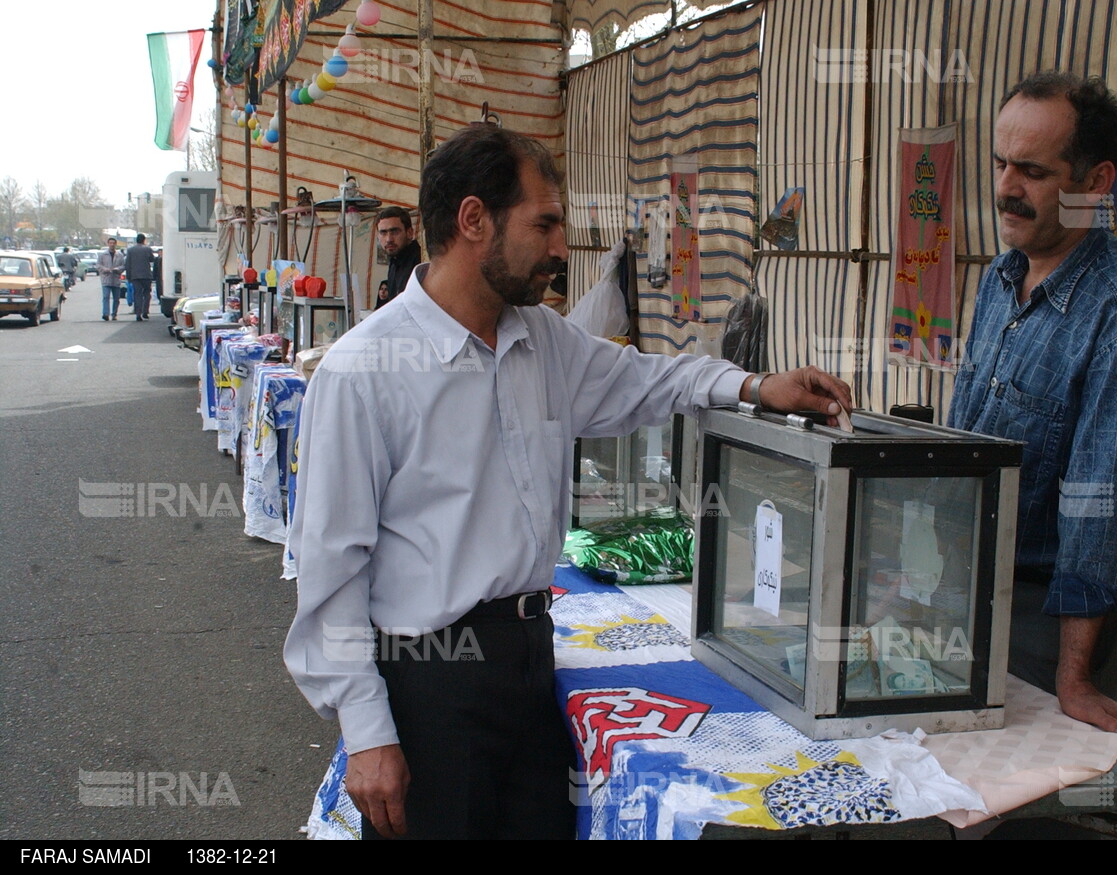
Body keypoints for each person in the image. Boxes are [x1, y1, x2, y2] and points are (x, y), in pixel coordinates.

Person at [284, 124, 852, 840]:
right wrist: (366, 729)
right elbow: (331, 568)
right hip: (432, 681)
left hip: (532, 665)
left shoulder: (542, 341)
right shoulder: (363, 370)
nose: (561, 248)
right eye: (545, 223)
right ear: (472, 221)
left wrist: (755, 385)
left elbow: (651, 378)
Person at [947, 71, 1117, 733]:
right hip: (966, 587)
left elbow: (1107, 505)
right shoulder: (1003, 278)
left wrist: (1076, 676)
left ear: (1095, 180)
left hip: (1050, 614)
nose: (1005, 186)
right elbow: (963, 439)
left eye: (1032, 170)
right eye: (1000, 163)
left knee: (1009, 799)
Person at [373, 206, 421, 310]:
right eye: (383, 233)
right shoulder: (394, 262)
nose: (389, 239)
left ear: (409, 233)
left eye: (394, 232)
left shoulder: (421, 260)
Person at [125, 233, 156, 320]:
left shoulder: (131, 250)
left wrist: (129, 276)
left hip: (135, 276)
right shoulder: (147, 249)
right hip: (146, 275)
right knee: (146, 293)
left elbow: (127, 264)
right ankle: (145, 311)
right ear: (144, 240)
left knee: (137, 294)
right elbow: (152, 259)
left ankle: (138, 313)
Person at [97, 238, 126, 322]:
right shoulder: (103, 255)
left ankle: (114, 314)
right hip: (106, 279)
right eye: (110, 243)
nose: (112, 244)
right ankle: (106, 314)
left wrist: (118, 269)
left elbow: (123, 266)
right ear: (108, 244)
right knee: (106, 297)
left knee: (116, 298)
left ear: (116, 244)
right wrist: (105, 269)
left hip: (116, 279)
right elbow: (98, 265)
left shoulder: (120, 255)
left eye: (113, 243)